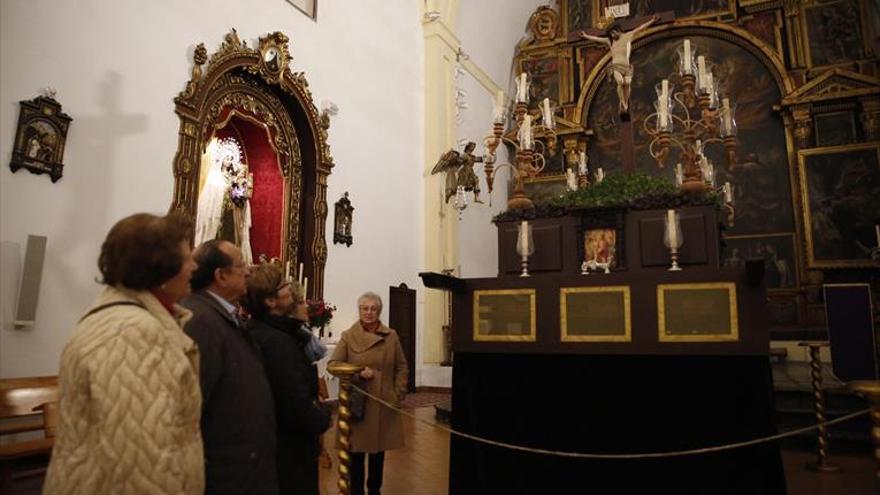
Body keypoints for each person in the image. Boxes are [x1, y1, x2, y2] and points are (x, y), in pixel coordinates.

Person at [43, 213, 204, 494]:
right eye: (187, 257)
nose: (194, 266)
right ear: (160, 267)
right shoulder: (130, 333)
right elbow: (141, 462)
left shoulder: (134, 321)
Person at [181, 240, 278, 495]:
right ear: (221, 276)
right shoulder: (200, 321)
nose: (248, 271)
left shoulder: (219, 315)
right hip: (226, 475)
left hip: (243, 469)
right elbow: (194, 403)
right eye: (241, 265)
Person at [243, 263, 332, 495]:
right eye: (283, 286)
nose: (291, 290)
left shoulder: (259, 330)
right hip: (288, 451)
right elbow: (294, 403)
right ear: (270, 301)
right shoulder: (279, 342)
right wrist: (323, 416)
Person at [330, 292, 409, 495]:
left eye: (373, 309)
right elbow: (333, 364)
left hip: (383, 402)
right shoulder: (349, 336)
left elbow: (402, 366)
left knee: (378, 453)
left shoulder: (391, 336)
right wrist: (357, 372)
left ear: (379, 311)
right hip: (358, 404)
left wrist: (398, 393)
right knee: (356, 453)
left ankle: (375, 490)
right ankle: (357, 492)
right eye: (364, 308)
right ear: (359, 310)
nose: (369, 312)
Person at [580, 16, 658, 116]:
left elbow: (640, 28)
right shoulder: (610, 42)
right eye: (610, 34)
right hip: (616, 66)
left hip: (626, 66)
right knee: (620, 82)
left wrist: (652, 21)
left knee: (627, 82)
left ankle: (625, 102)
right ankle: (624, 103)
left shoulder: (627, 36)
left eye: (613, 33)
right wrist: (586, 36)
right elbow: (597, 39)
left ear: (618, 30)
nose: (612, 35)